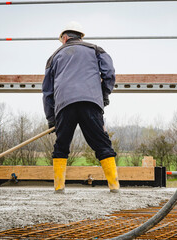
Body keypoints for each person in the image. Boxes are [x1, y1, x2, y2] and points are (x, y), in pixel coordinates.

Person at [42, 21, 119, 194]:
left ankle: (59, 188)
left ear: (65, 38)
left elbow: (47, 91)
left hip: (64, 105)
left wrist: (51, 119)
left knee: (61, 146)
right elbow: (109, 74)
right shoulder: (96, 50)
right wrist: (103, 96)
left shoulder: (54, 57)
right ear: (81, 37)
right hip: (90, 102)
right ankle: (114, 187)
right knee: (102, 144)